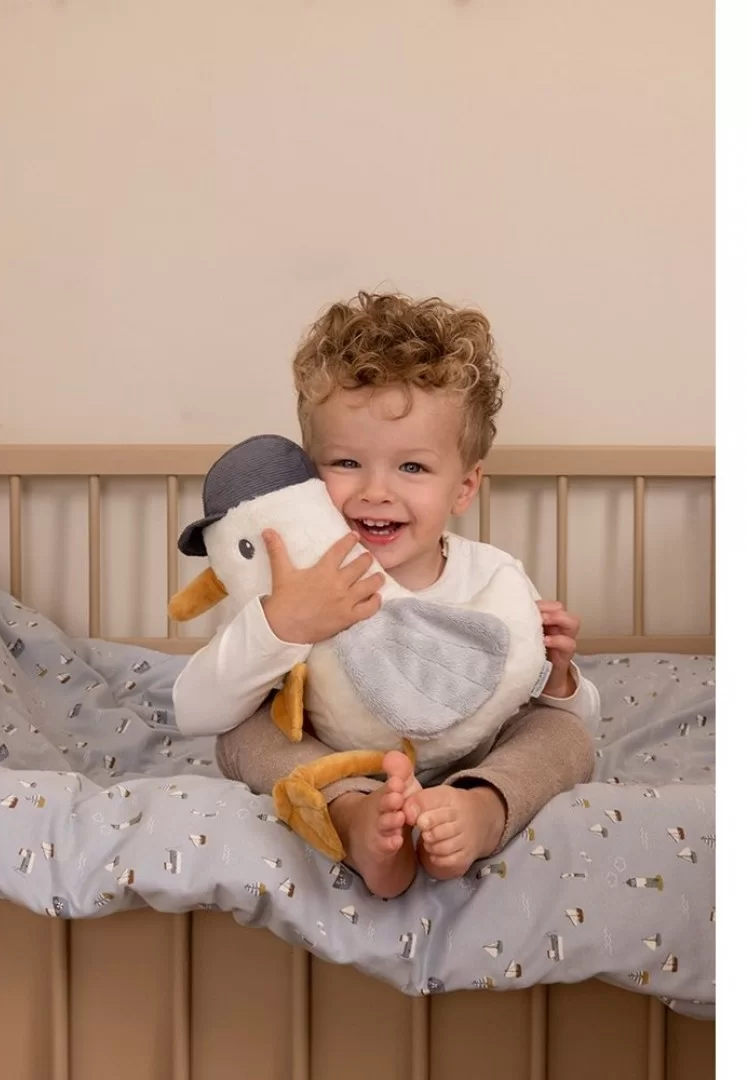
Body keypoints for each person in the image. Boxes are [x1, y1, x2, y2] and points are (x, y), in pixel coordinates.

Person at [172, 292, 598, 897]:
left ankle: (479, 809)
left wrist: (559, 678)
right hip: (338, 763)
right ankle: (353, 817)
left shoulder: (492, 578)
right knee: (244, 733)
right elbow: (193, 711)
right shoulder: (299, 581)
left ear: (464, 487)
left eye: (412, 468)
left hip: (469, 762)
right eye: (346, 462)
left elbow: (578, 719)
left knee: (562, 736)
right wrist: (282, 624)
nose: (376, 491)